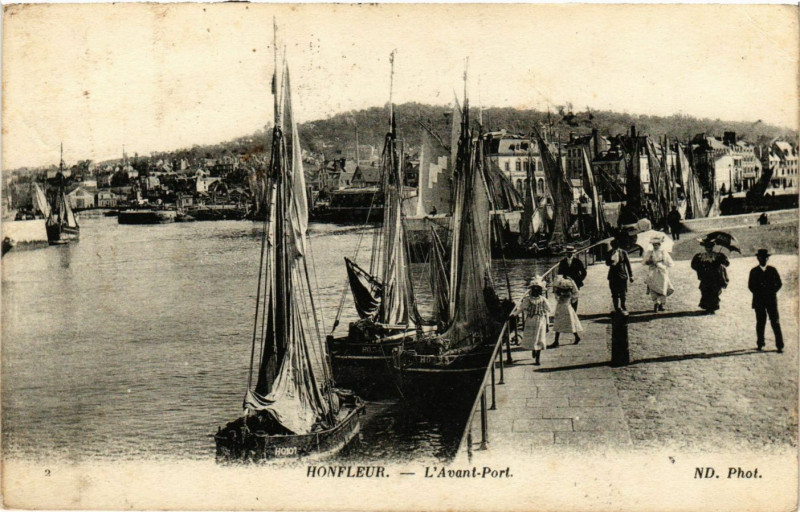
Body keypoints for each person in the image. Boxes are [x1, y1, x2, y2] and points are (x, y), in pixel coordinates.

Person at [748, 249, 783, 353]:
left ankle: (779, 345)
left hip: (771, 300)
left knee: (775, 322)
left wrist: (771, 292)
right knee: (760, 322)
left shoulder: (773, 270)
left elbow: (779, 283)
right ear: (758, 258)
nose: (763, 259)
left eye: (765, 257)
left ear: (768, 258)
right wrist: (759, 292)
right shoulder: (753, 271)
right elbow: (751, 286)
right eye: (761, 257)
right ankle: (760, 343)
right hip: (759, 300)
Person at [690, 238, 730, 313]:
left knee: (714, 292)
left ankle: (713, 307)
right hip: (705, 277)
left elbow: (727, 264)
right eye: (707, 247)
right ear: (705, 247)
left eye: (710, 247)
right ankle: (707, 307)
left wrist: (722, 259)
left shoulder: (718, 255)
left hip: (716, 277)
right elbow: (693, 265)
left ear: (712, 247)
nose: (709, 249)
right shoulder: (700, 256)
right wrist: (700, 268)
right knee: (705, 291)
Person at [517, 276, 550, 365]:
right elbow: (521, 308)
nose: (535, 292)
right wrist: (514, 314)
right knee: (532, 337)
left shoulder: (543, 300)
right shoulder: (528, 300)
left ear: (540, 291)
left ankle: (538, 358)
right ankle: (533, 349)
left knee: (540, 338)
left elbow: (548, 310)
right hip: (530, 321)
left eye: (537, 290)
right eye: (533, 290)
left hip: (540, 321)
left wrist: (547, 323)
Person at [548, 276, 582, 348]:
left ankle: (556, 341)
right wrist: (572, 301)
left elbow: (556, 296)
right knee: (570, 323)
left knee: (558, 323)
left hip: (560, 307)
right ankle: (576, 337)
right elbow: (576, 294)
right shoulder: (569, 292)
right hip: (568, 306)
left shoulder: (559, 292)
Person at [642, 234, 674, 312]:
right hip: (653, 271)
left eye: (657, 245)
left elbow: (669, 262)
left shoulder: (663, 252)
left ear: (660, 245)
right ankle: (655, 303)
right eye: (654, 245)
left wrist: (662, 264)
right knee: (653, 286)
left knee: (663, 287)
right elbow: (644, 262)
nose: (655, 246)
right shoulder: (650, 252)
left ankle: (661, 304)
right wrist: (649, 261)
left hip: (661, 271)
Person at [605, 238, 634, 314]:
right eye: (614, 247)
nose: (615, 248)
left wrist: (631, 275)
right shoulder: (609, 253)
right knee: (614, 293)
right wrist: (611, 262)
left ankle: (623, 306)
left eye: (616, 247)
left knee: (623, 293)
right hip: (612, 276)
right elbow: (607, 262)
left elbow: (628, 264)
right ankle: (616, 307)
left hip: (622, 275)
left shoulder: (623, 253)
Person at [557, 246, 587, 312]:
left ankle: (574, 313)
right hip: (566, 284)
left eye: (571, 253)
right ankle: (569, 314)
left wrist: (579, 280)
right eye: (568, 253)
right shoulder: (562, 262)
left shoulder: (577, 261)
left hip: (576, 283)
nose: (569, 254)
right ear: (566, 253)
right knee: (567, 299)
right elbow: (559, 274)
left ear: (573, 253)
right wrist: (561, 282)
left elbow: (584, 272)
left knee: (575, 298)